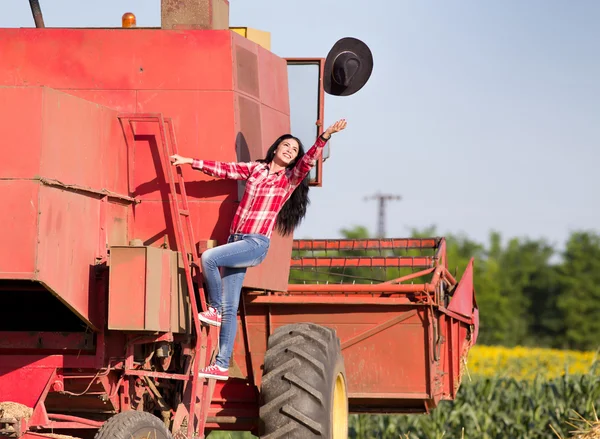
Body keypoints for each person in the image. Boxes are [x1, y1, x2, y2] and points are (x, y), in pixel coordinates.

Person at [170, 119, 347, 380]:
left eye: (294, 150)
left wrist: (325, 136)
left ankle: (214, 309)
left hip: (255, 243)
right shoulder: (256, 170)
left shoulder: (289, 180)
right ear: (275, 148)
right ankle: (221, 364)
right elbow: (224, 169)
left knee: (208, 258)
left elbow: (308, 161)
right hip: (236, 240)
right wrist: (188, 161)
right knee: (231, 307)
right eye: (286, 145)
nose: (289, 150)